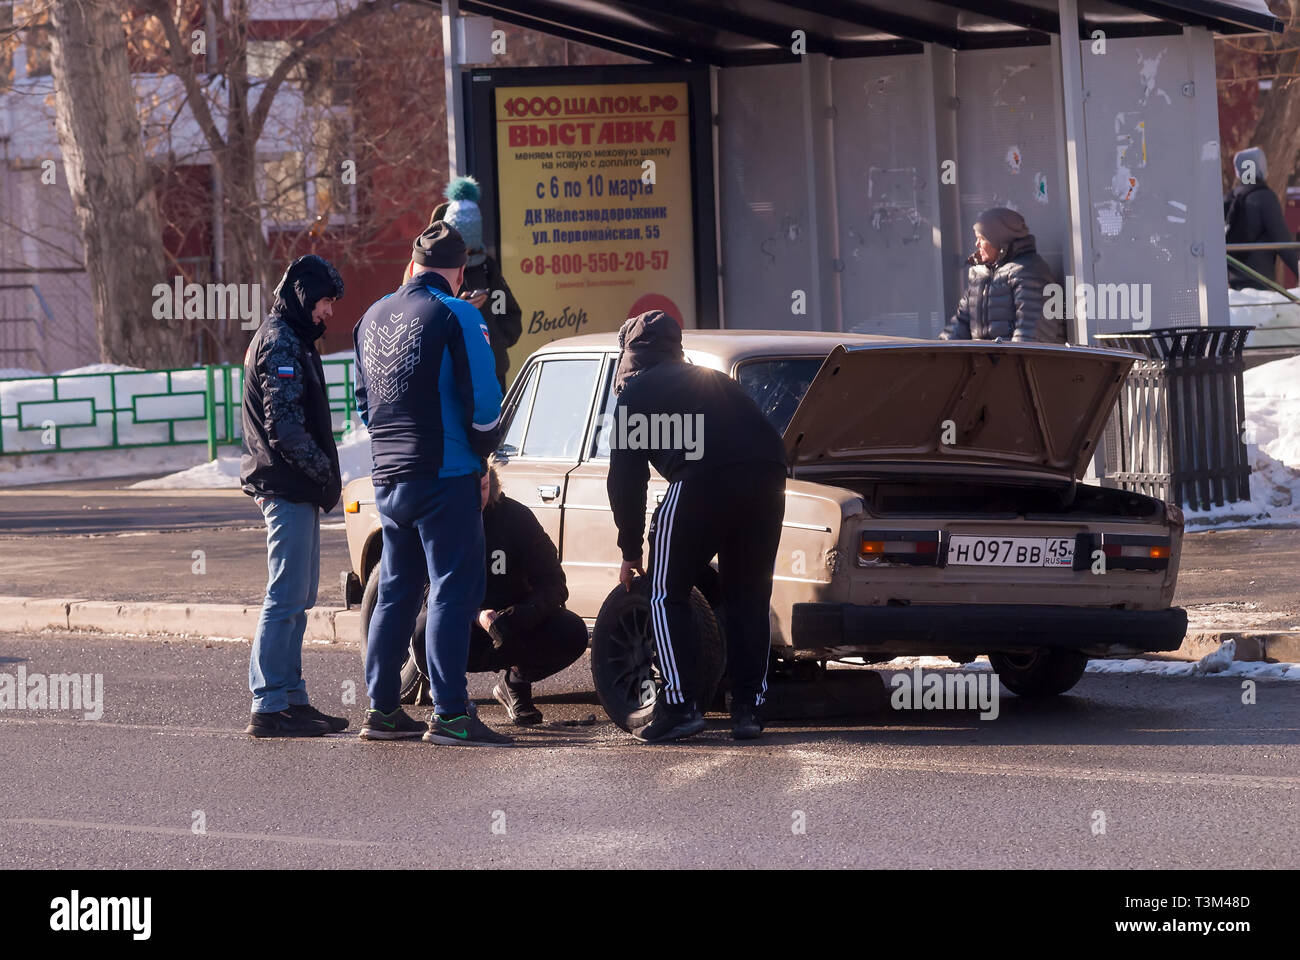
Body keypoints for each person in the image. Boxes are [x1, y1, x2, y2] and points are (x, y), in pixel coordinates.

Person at [353, 221, 507, 746]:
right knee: (451, 589)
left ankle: (381, 710)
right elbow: (484, 404)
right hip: (444, 474)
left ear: (412, 265)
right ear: (460, 272)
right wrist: (483, 453)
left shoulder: (370, 316)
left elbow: (362, 406)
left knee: (396, 589)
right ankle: (451, 714)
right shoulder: (458, 312)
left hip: (388, 476)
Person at [606, 310, 788, 743]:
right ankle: (748, 709)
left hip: (703, 480)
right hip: (768, 479)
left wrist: (631, 551)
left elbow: (625, 481)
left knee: (665, 592)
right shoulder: (716, 380)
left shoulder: (634, 394)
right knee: (749, 597)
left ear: (629, 355)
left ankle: (680, 705)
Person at [240, 254, 347, 738]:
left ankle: (292, 698)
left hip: (296, 487)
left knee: (299, 595)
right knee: (284, 595)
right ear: (307, 298)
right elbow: (285, 430)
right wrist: (325, 473)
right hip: (285, 487)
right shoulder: (280, 341)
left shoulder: (296, 338)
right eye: (326, 301)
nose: (330, 312)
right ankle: (268, 704)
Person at [407, 463, 589, 725]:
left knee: (571, 630)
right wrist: (475, 616)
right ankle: (451, 702)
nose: (476, 497)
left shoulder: (516, 518)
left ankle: (516, 683)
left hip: (513, 627)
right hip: (463, 625)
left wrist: (518, 616)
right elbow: (425, 589)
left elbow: (554, 584)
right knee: (422, 630)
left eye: (482, 488)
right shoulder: (442, 519)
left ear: (490, 483)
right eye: (468, 490)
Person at [428, 176, 522, 392]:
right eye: (463, 250)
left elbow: (510, 314)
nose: (468, 256)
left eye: (472, 249)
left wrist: (496, 343)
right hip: (453, 374)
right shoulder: (434, 268)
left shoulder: (487, 267)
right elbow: (423, 320)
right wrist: (459, 308)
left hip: (491, 371)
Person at [939, 207, 1062, 343]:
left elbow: (1031, 333)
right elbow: (960, 323)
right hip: (983, 361)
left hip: (1017, 362)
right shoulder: (980, 275)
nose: (977, 244)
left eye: (982, 239)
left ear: (999, 241)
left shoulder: (1028, 272)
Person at [1224, 146, 1298, 290]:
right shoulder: (1264, 198)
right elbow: (1283, 242)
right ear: (1260, 167)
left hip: (1232, 289)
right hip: (1259, 285)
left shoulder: (1228, 198)